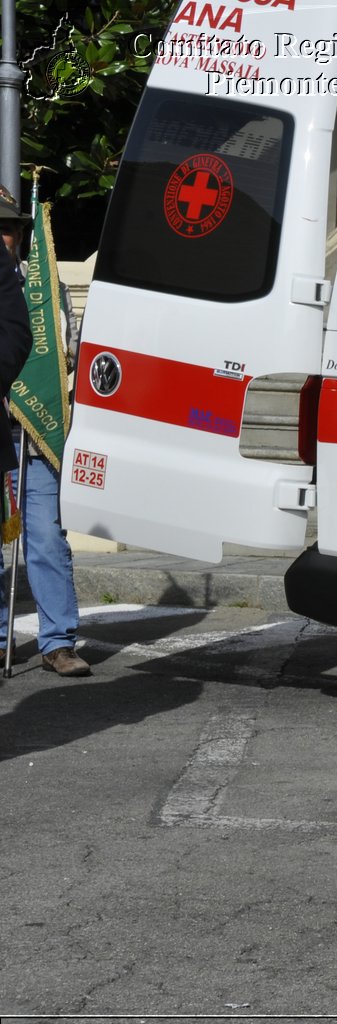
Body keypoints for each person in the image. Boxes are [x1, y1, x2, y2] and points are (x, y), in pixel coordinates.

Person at [0, 184, 88, 678]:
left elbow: (67, 350)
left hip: (30, 434)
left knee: (47, 541)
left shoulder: (44, 288)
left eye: (10, 228)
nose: (4, 237)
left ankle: (58, 641)